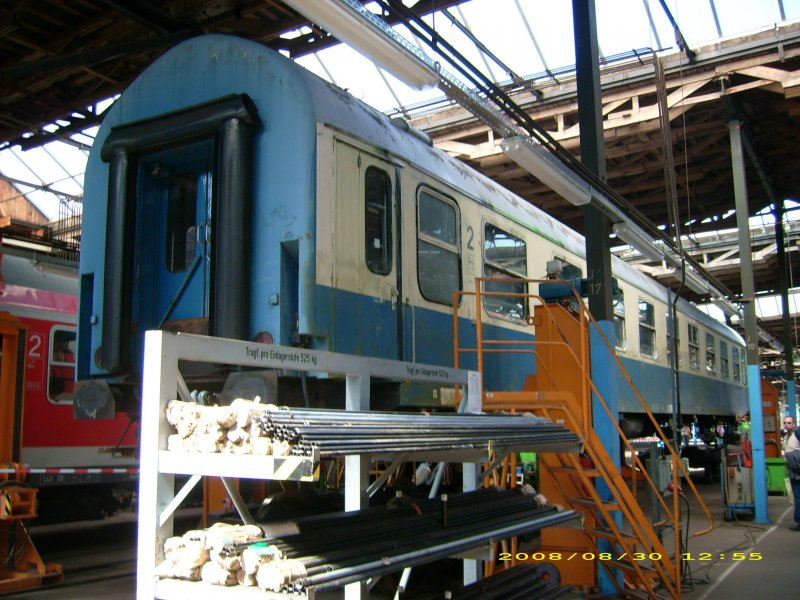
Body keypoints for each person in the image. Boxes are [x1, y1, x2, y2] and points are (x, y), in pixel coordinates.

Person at [782, 416, 800, 530]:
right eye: (785, 423)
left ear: (793, 424)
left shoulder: (797, 434)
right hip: (792, 470)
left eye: (789, 423)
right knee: (797, 496)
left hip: (798, 470)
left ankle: (798, 522)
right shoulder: (786, 437)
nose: (787, 424)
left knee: (798, 496)